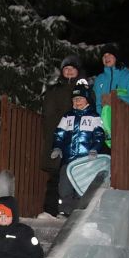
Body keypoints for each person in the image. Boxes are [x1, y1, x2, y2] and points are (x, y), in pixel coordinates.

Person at [39, 54, 91, 217]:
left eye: (72, 69)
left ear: (78, 71)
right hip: (58, 139)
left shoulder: (85, 91)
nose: (69, 72)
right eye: (66, 69)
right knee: (55, 178)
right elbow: (47, 115)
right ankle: (50, 212)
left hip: (79, 141)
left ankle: (75, 212)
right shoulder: (55, 91)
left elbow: (90, 112)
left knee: (77, 177)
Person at [49, 85, 108, 213]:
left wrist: (95, 149)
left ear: (87, 100)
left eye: (80, 98)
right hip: (68, 159)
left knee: (82, 186)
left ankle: (81, 211)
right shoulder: (67, 116)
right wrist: (57, 147)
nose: (77, 101)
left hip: (85, 160)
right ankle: (65, 211)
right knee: (65, 187)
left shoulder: (94, 116)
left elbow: (99, 134)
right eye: (75, 99)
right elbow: (59, 133)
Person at [92, 45, 129, 112]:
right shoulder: (99, 79)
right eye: (104, 56)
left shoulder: (127, 76)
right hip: (103, 119)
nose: (106, 57)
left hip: (124, 117)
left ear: (116, 57)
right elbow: (96, 102)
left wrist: (115, 100)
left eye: (109, 54)